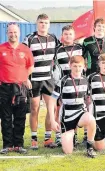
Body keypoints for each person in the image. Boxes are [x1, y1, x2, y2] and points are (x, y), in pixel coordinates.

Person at [23, 13, 61, 149]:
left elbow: (60, 55)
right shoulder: (29, 39)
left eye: (45, 23)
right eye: (41, 22)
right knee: (35, 109)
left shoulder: (54, 38)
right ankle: (34, 138)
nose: (43, 25)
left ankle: (47, 138)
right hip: (34, 80)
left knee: (52, 109)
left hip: (49, 80)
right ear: (36, 23)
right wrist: (25, 78)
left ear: (49, 24)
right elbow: (24, 59)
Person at [48, 55, 97, 158]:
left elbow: (88, 99)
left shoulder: (85, 80)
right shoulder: (63, 81)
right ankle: (72, 136)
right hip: (67, 117)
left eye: (79, 66)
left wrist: (90, 112)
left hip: (80, 113)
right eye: (75, 66)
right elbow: (52, 100)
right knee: (68, 151)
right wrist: (53, 121)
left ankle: (90, 147)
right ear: (70, 66)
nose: (77, 69)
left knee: (91, 119)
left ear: (84, 66)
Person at [0, 23, 33, 154]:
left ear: (19, 33)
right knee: (6, 117)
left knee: (20, 117)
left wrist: (25, 78)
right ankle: (7, 145)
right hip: (4, 87)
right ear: (7, 33)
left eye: (15, 32)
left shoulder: (25, 49)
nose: (13, 35)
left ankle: (18, 144)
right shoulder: (1, 48)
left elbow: (30, 66)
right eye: (10, 32)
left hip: (21, 88)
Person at [82, 18, 105, 145]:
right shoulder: (87, 41)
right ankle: (87, 135)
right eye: (98, 26)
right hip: (91, 75)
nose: (100, 28)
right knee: (89, 103)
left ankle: (104, 134)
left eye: (103, 26)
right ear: (94, 28)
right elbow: (82, 58)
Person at [53, 25, 85, 146]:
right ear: (62, 35)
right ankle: (57, 135)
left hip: (76, 82)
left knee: (76, 109)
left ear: (74, 35)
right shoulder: (57, 49)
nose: (68, 36)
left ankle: (74, 135)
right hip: (63, 82)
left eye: (70, 34)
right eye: (65, 34)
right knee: (59, 109)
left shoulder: (80, 48)